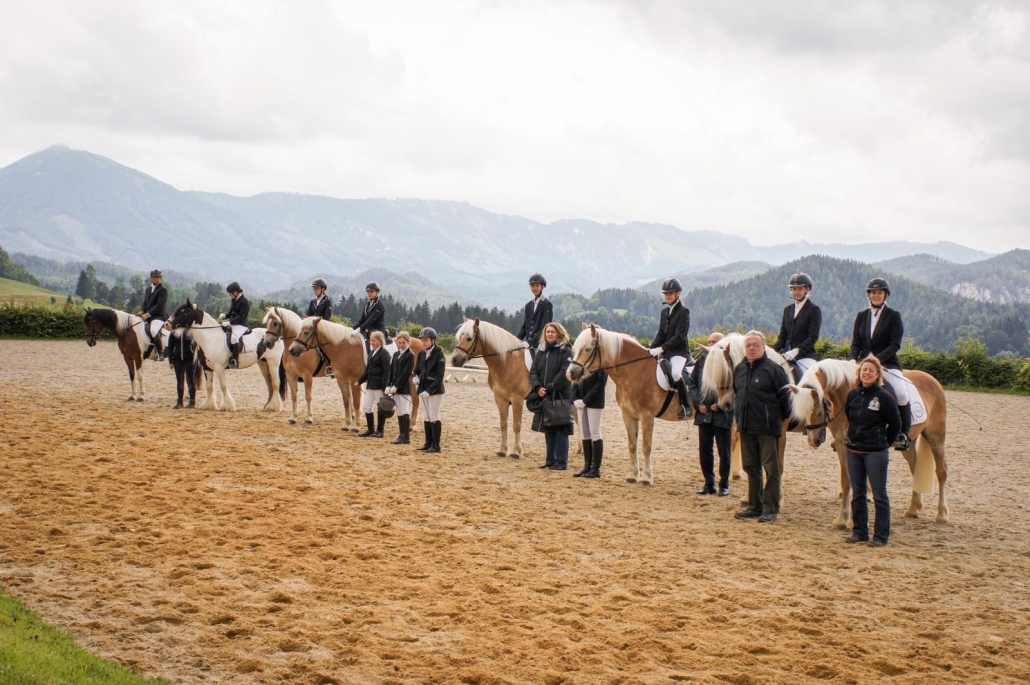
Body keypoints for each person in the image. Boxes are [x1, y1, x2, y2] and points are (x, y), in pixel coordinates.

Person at [733, 330, 792, 524]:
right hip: (746, 427)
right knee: (751, 467)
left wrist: (774, 419)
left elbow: (786, 400)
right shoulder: (739, 369)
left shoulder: (774, 370)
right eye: (748, 345)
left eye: (755, 345)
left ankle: (771, 509)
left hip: (767, 428)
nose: (751, 348)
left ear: (763, 347)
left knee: (771, 469)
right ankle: (754, 506)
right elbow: (737, 394)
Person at [844, 356, 902, 547]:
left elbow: (895, 423)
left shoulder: (884, 397)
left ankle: (880, 536)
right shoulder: (853, 395)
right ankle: (860, 531)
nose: (866, 373)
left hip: (875, 452)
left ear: (877, 375)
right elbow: (849, 416)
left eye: (870, 370)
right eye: (864, 370)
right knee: (858, 493)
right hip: (853, 450)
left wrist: (884, 441)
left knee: (879, 494)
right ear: (859, 373)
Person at [849, 277, 911, 451]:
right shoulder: (862, 316)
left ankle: (904, 434)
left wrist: (877, 361)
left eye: (880, 293)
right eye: (873, 292)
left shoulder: (893, 316)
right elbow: (855, 343)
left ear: (886, 295)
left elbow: (895, 345)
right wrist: (853, 359)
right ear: (869, 295)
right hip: (863, 364)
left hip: (887, 363)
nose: (876, 295)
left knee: (900, 393)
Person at [688, 331, 733, 496]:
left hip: (722, 414)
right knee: (704, 451)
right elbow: (692, 383)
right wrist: (698, 403)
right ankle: (709, 483)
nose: (711, 344)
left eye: (715, 342)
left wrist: (720, 405)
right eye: (709, 341)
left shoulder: (728, 362)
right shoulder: (701, 361)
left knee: (724, 452)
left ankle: (724, 485)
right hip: (704, 414)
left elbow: (731, 389)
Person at [530, 322, 574, 470]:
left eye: (552, 332)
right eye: (547, 331)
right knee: (548, 428)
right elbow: (534, 370)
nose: (549, 334)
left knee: (560, 429)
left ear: (559, 333)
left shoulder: (566, 350)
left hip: (561, 396)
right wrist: (537, 387)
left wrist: (550, 387)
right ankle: (550, 460)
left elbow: (564, 371)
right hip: (545, 395)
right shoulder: (541, 351)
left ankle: (561, 462)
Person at [648, 278, 693, 419]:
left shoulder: (684, 312)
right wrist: (650, 348)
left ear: (678, 294)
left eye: (670, 293)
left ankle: (686, 406)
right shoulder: (664, 312)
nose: (667, 296)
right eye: (666, 294)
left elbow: (679, 336)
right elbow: (661, 334)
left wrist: (661, 348)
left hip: (679, 353)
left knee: (675, 374)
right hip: (666, 353)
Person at [773, 272, 822, 381]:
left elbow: (813, 337)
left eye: (800, 289)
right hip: (785, 355)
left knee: (809, 382)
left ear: (807, 289)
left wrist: (796, 351)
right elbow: (782, 337)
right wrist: (770, 351)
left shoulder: (814, 310)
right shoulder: (787, 310)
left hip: (805, 357)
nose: (797, 292)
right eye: (794, 289)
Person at [413, 327, 446, 453]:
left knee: (433, 416)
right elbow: (417, 370)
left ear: (433, 340)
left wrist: (430, 390)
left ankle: (436, 445)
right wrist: (415, 377)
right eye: (422, 340)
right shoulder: (422, 353)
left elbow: (439, 376)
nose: (423, 343)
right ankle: (428, 443)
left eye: (426, 340)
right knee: (426, 416)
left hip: (435, 390)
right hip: (422, 388)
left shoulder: (439, 354)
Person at [572, 367, 607, 478]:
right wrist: (574, 398)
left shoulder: (601, 366)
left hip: (595, 402)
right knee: (585, 433)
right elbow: (575, 381)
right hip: (580, 401)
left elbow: (600, 384)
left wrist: (585, 401)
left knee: (594, 432)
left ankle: (596, 468)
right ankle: (587, 466)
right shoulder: (581, 363)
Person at [356, 331, 391, 438]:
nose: (371, 342)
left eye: (373, 341)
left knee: (381, 407)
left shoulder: (384, 353)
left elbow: (387, 370)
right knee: (367, 406)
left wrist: (385, 386)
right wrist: (360, 381)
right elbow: (368, 370)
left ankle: (380, 431)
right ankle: (371, 430)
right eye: (370, 340)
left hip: (379, 385)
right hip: (370, 384)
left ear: (380, 341)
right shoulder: (372, 353)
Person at [385, 331, 415, 445]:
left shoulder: (410, 355)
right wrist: (388, 385)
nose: (401, 345)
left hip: (404, 388)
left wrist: (396, 386)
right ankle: (401, 434)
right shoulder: (396, 354)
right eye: (399, 342)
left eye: (403, 343)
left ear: (408, 342)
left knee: (404, 410)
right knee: (398, 411)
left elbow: (406, 373)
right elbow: (391, 371)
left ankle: (406, 436)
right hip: (394, 387)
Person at [516, 273, 553, 357]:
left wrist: (531, 343)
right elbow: (525, 327)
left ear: (542, 287)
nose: (534, 288)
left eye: (537, 286)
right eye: (532, 286)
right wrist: (516, 341)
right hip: (527, 342)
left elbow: (545, 327)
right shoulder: (528, 305)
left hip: (540, 343)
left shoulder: (547, 304)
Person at [138, 268, 170, 361]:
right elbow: (145, 302)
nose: (155, 279)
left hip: (158, 316)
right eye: (154, 277)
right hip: (147, 316)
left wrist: (148, 314)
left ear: (161, 278)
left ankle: (160, 353)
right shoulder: (148, 289)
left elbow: (160, 306)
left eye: (157, 277)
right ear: (151, 278)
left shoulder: (163, 290)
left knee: (153, 330)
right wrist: (142, 311)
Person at [165, 322, 197, 409]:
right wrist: (170, 361)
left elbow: (195, 345)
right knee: (179, 380)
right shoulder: (174, 332)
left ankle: (192, 401)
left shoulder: (190, 331)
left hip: (189, 359)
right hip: (177, 359)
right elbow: (170, 347)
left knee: (190, 379)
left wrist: (194, 356)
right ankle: (180, 401)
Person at [355, 282, 391, 354]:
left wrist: (360, 329)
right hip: (369, 332)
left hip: (378, 332)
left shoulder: (379, 305)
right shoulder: (367, 305)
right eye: (368, 292)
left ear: (377, 292)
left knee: (372, 347)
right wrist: (352, 329)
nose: (369, 293)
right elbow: (362, 320)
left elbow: (371, 320)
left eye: (372, 291)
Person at [307, 278, 334, 377]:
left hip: (323, 328)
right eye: (314, 289)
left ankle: (330, 366)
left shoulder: (327, 301)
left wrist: (319, 325)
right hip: (312, 329)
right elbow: (308, 315)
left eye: (317, 289)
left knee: (325, 345)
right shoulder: (312, 302)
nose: (315, 291)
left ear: (323, 289)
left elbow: (327, 316)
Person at [220, 282, 250, 369]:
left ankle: (235, 360)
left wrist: (230, 322)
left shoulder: (245, 302)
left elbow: (242, 317)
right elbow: (231, 312)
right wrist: (225, 315)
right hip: (234, 323)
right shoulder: (234, 300)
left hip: (242, 325)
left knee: (234, 338)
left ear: (236, 292)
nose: (230, 295)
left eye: (230, 293)